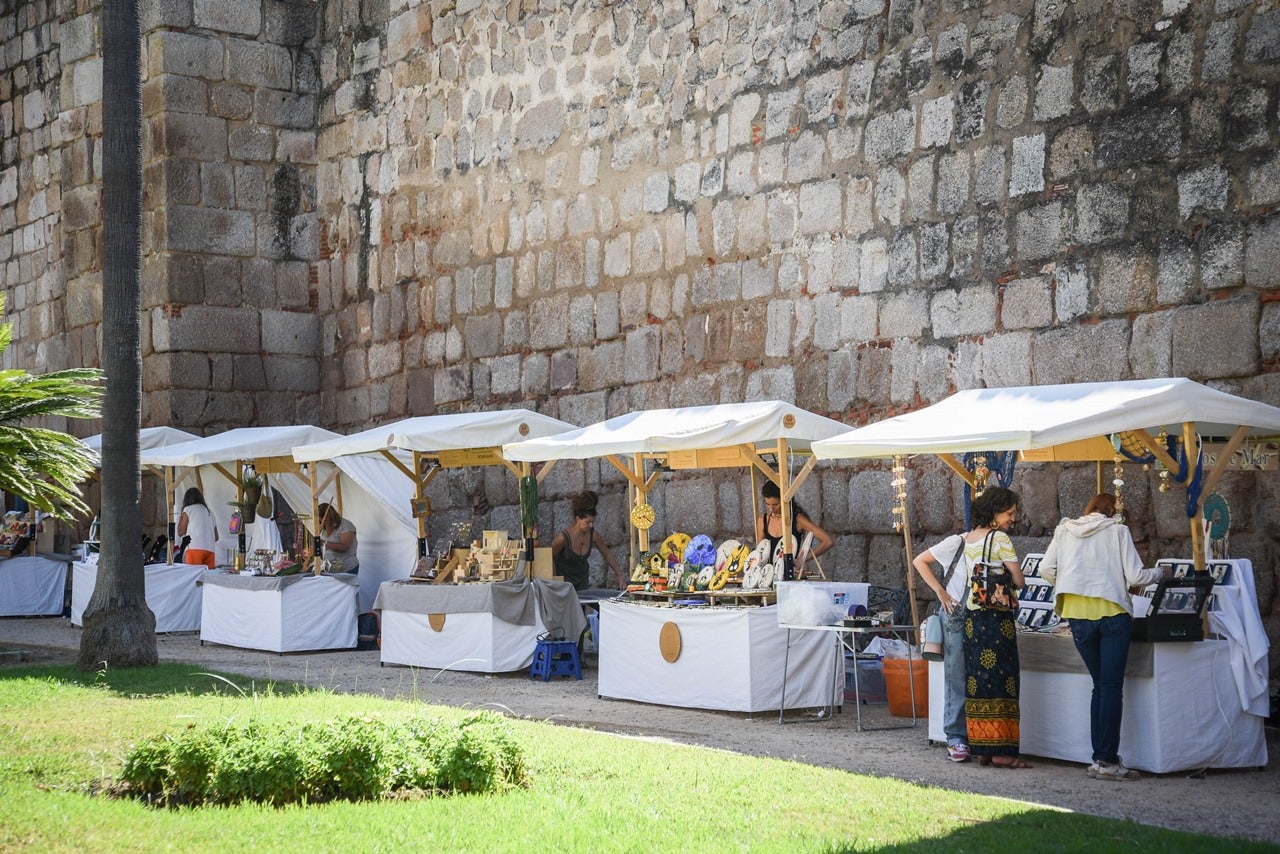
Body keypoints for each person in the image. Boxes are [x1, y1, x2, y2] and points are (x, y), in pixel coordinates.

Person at [1040, 493, 1167, 782]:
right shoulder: (1117, 531)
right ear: (1113, 512)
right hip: (1111, 615)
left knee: (1099, 686)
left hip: (1077, 616)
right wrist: (1160, 573)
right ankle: (1107, 760)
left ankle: (1100, 759)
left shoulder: (1064, 530)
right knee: (1110, 688)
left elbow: (1046, 569)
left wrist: (1067, 585)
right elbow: (1136, 577)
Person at [958, 485, 1030, 768]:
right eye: (1009, 513)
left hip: (972, 618)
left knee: (978, 682)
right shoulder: (999, 539)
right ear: (996, 512)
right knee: (1003, 681)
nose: (1012, 518)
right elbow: (1019, 579)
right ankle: (1003, 752)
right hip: (996, 619)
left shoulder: (969, 537)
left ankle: (983, 748)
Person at [754, 480, 834, 575]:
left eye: (776, 504)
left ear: (785, 500)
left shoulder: (798, 519)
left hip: (789, 576)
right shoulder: (763, 520)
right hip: (767, 576)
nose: (771, 508)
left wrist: (802, 559)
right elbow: (760, 552)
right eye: (768, 504)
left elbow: (828, 541)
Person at [551, 491, 624, 591]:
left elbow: (606, 553)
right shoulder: (562, 538)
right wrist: (555, 581)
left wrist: (620, 575)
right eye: (587, 522)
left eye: (593, 522)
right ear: (578, 519)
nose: (591, 526)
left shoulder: (593, 535)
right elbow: (550, 557)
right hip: (564, 581)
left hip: (582, 580)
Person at [177, 487, 218, 569]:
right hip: (210, 550)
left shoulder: (188, 509)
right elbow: (216, 537)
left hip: (194, 548)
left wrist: (181, 517)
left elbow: (180, 532)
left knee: (194, 577)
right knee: (208, 580)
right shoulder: (210, 512)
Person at [317, 502, 359, 574]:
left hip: (346, 567)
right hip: (330, 568)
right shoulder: (323, 527)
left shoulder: (346, 525)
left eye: (322, 521)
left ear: (328, 518)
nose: (321, 523)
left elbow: (344, 547)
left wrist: (325, 543)